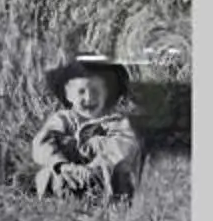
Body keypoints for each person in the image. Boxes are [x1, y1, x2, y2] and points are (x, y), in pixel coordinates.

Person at [28, 56, 142, 200]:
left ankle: (110, 204)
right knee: (47, 174)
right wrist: (62, 165)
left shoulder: (117, 122)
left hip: (103, 176)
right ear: (68, 94)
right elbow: (42, 142)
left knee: (121, 175)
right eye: (81, 92)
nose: (89, 98)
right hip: (69, 173)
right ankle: (56, 205)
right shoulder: (63, 119)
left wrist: (93, 168)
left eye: (95, 91)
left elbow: (122, 148)